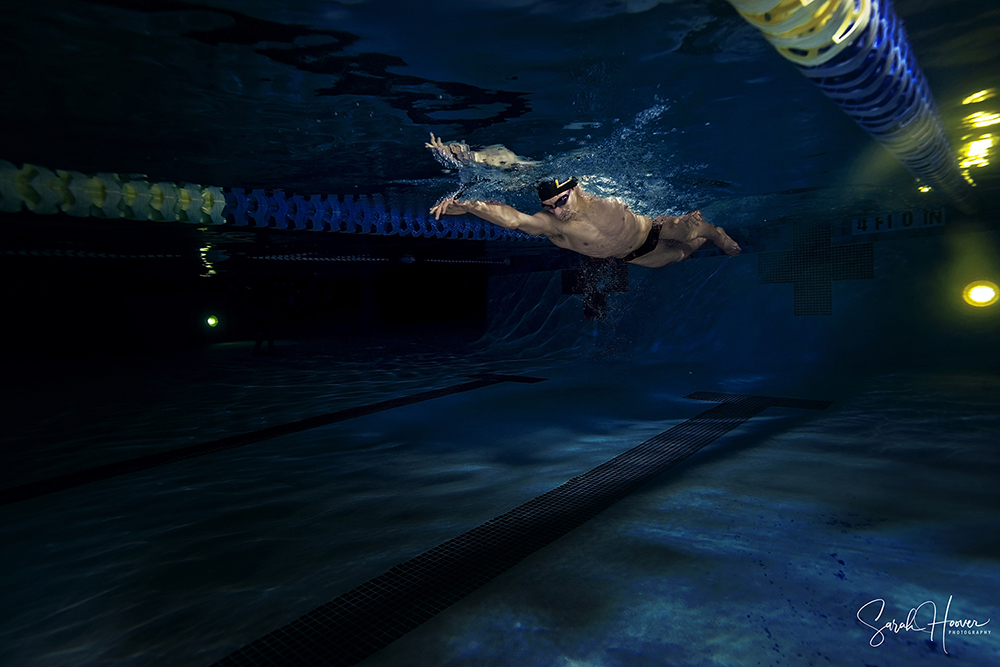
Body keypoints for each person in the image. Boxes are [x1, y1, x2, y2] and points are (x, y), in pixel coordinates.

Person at [425, 134, 740, 268]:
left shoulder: (595, 192)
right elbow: (516, 220)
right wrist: (470, 206)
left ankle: (718, 236)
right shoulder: (552, 221)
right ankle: (700, 242)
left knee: (693, 232)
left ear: (575, 189)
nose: (557, 211)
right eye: (550, 207)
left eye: (561, 201)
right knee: (680, 256)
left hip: (653, 230)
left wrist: (475, 159)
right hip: (631, 256)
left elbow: (513, 162)